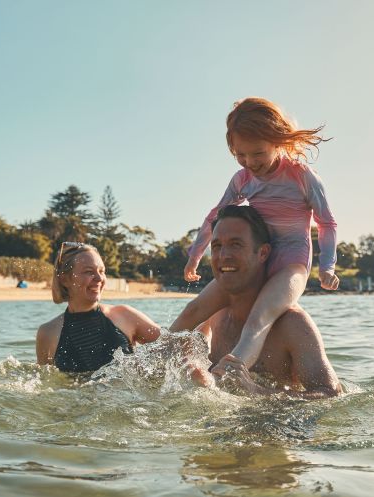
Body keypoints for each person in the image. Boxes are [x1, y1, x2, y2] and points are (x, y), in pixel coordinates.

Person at [171, 97, 340, 376]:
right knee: (193, 310)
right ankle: (146, 361)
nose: (250, 162)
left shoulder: (303, 177)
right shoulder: (242, 180)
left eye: (258, 153)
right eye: (241, 155)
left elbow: (327, 223)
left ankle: (230, 372)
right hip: (256, 259)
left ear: (278, 141)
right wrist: (195, 255)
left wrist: (327, 267)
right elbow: (215, 216)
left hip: (291, 264)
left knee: (258, 318)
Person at [185, 205, 341, 398]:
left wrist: (257, 391)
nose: (224, 256)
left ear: (263, 253)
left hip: (276, 426)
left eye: (236, 244)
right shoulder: (214, 314)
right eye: (217, 246)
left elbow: (332, 394)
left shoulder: (294, 325)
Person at [36, 242, 161, 373]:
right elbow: (45, 385)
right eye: (89, 272)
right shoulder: (47, 333)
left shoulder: (125, 315)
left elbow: (174, 346)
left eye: (102, 271)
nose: (99, 278)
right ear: (64, 279)